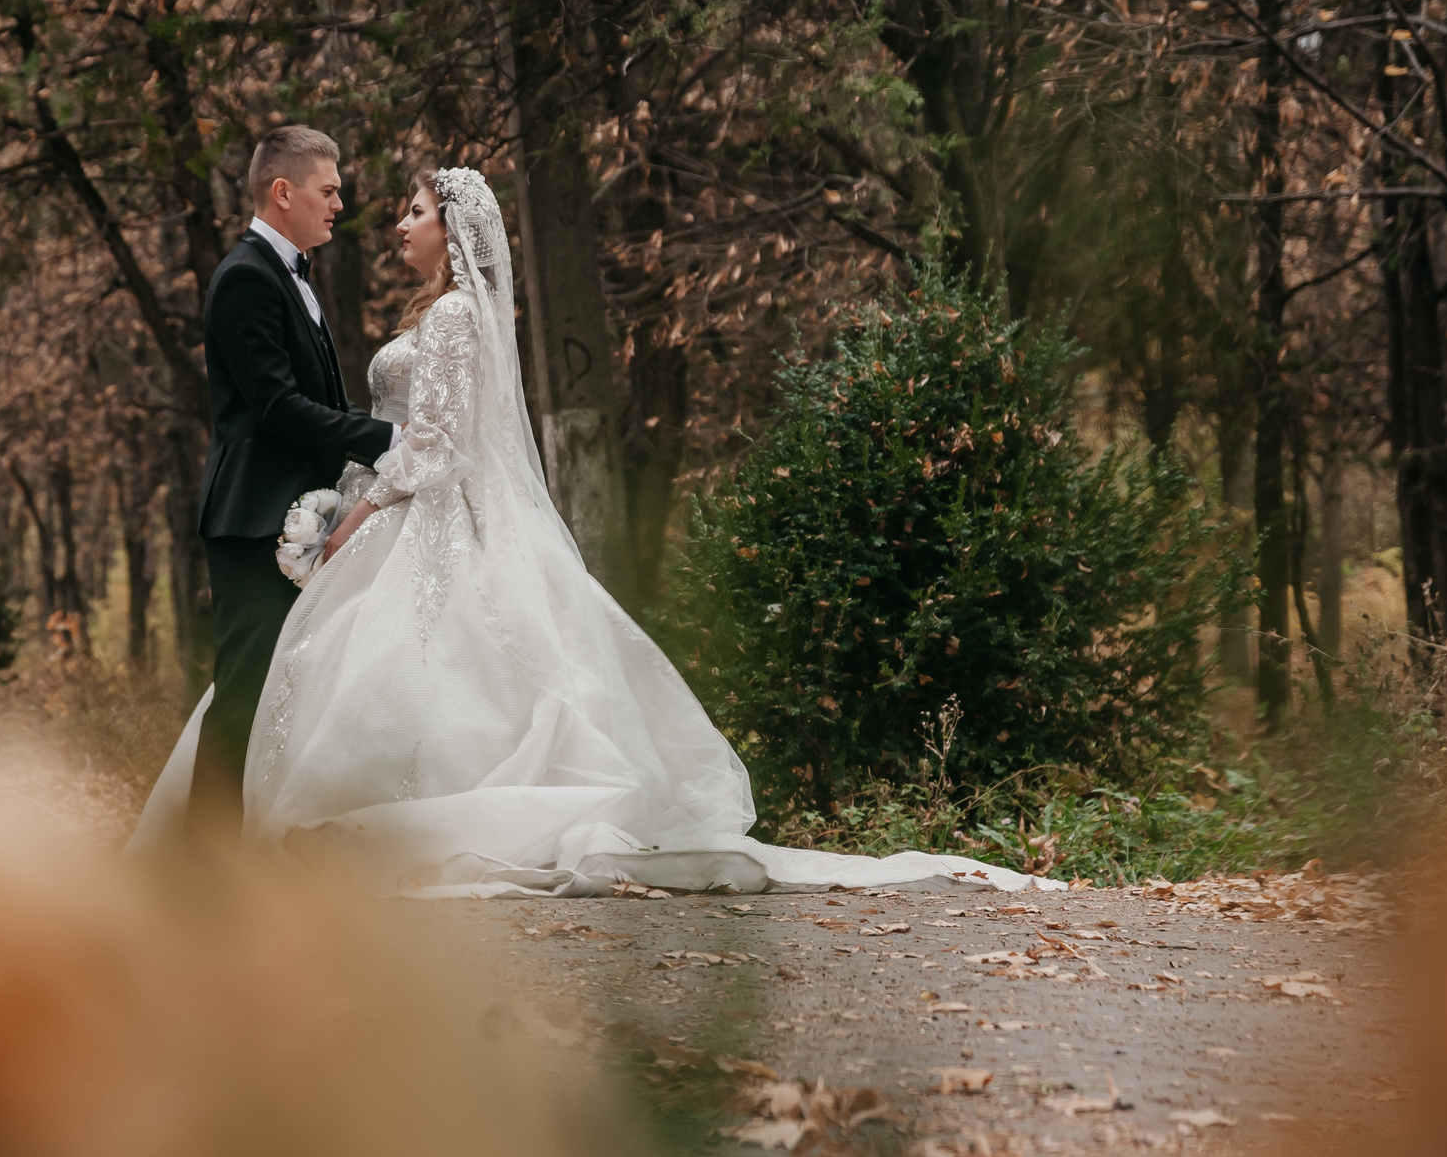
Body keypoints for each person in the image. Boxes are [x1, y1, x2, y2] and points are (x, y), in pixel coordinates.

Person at [132, 165, 1058, 897]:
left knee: (403, 668)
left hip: (422, 515)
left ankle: (342, 828)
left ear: (451, 231)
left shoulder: (454, 315)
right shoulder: (441, 313)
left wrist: (362, 507)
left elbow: (443, 446)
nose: (397, 224)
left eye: (412, 212)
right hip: (409, 513)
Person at [183, 126, 395, 829]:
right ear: (284, 191)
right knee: (245, 688)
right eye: (328, 189)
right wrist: (383, 437)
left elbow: (316, 403)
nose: (340, 202)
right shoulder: (247, 276)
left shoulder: (291, 273)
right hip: (254, 516)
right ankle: (201, 868)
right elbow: (274, 407)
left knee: (283, 690)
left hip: (295, 510)